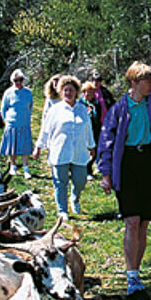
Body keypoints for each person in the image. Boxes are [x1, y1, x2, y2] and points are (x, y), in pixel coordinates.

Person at [98, 62, 151, 300]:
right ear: (134, 82)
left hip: (148, 162)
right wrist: (106, 174)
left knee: (144, 222)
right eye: (147, 81)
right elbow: (106, 141)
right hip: (127, 164)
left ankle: (136, 272)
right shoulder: (119, 109)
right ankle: (131, 276)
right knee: (132, 220)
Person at [33, 76, 95, 221]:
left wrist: (91, 146)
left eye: (71, 90)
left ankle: (75, 198)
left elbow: (88, 129)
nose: (68, 93)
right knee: (60, 182)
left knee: (80, 180)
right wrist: (38, 147)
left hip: (79, 151)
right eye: (65, 90)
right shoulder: (55, 110)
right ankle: (62, 210)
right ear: (61, 92)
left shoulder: (82, 109)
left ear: (76, 92)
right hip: (60, 151)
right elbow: (45, 130)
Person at [0, 69, 34, 179]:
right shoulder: (8, 93)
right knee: (12, 147)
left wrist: (27, 118)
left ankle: (26, 169)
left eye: (20, 80)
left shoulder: (28, 92)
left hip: (24, 123)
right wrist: (6, 120)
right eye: (16, 80)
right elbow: (3, 108)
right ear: (12, 81)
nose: (18, 82)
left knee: (25, 148)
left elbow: (30, 106)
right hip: (12, 124)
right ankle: (13, 166)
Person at [80, 81, 102, 177]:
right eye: (87, 92)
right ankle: (86, 170)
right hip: (83, 131)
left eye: (91, 92)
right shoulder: (80, 104)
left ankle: (89, 168)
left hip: (95, 130)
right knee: (85, 151)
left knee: (94, 150)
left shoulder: (96, 103)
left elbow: (99, 116)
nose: (89, 94)